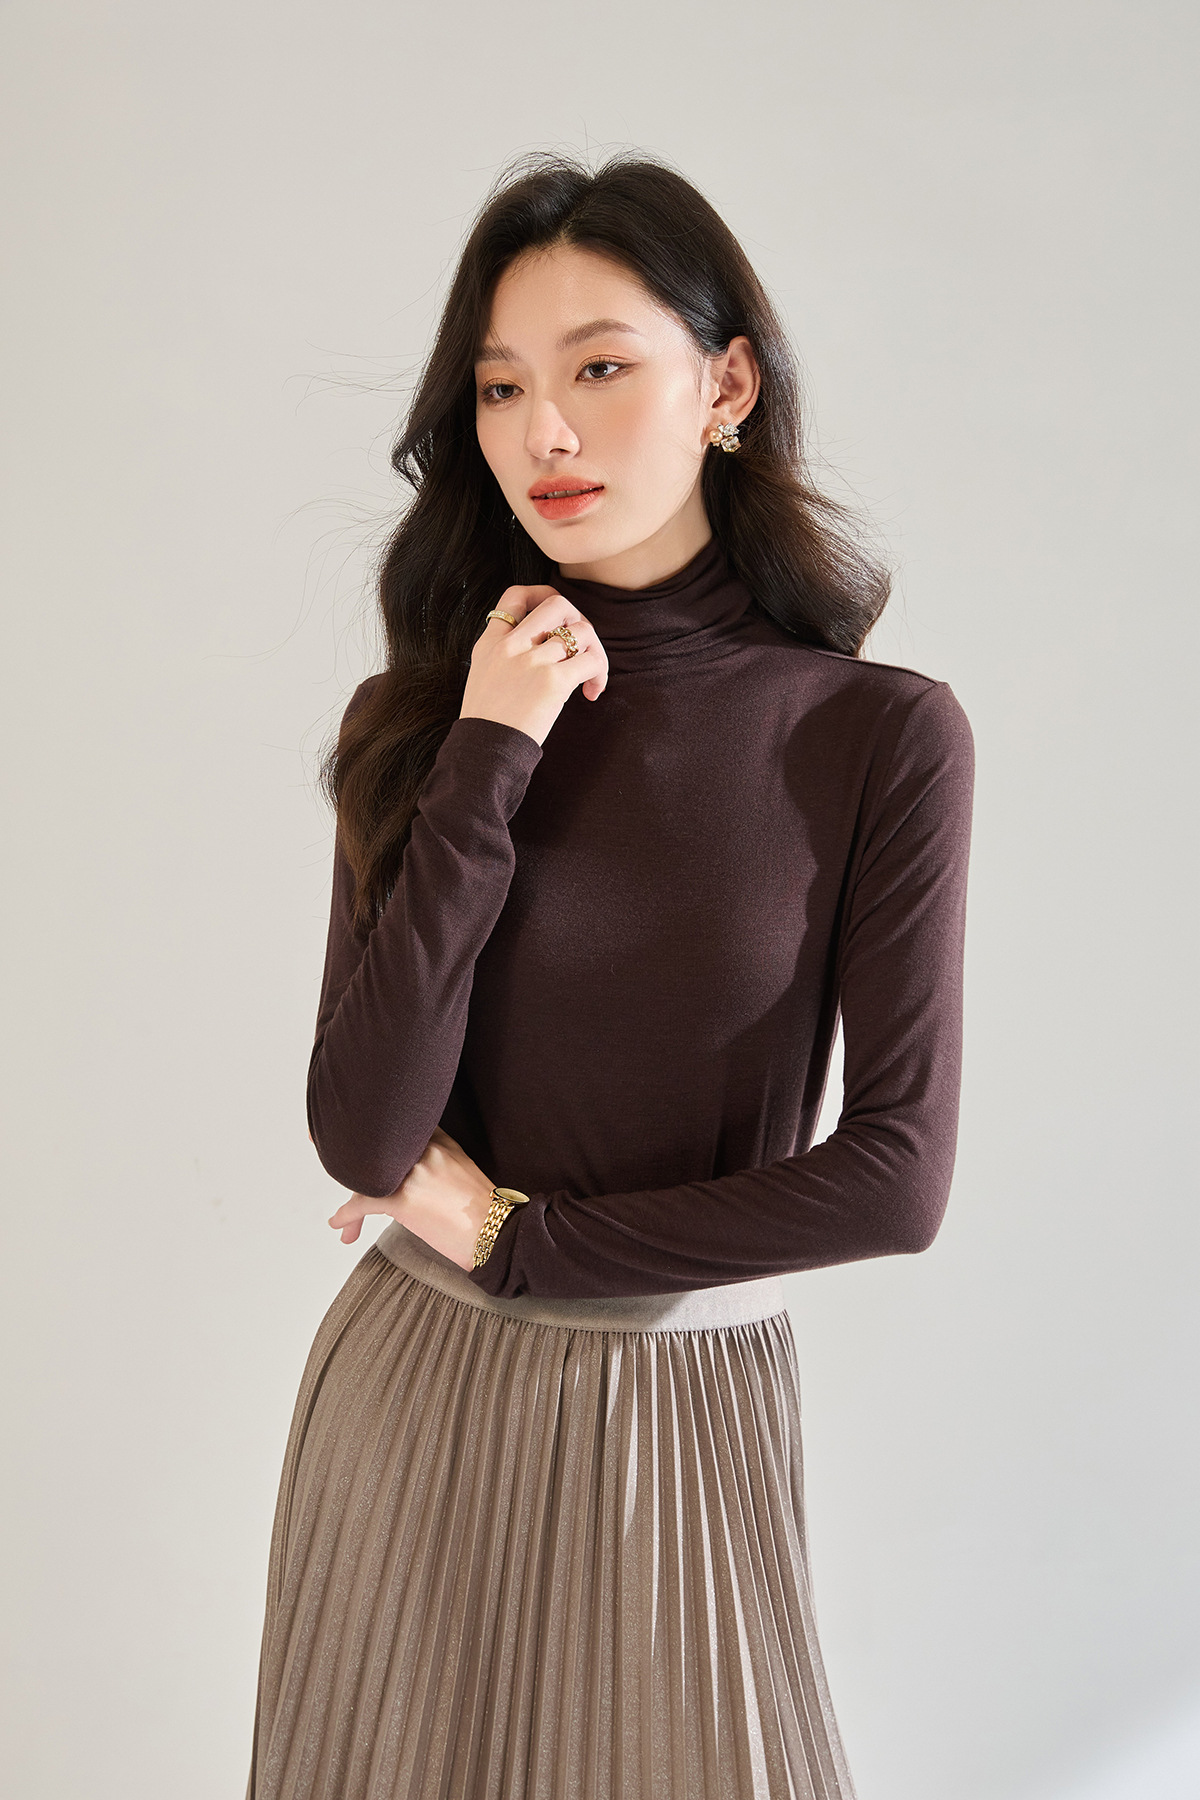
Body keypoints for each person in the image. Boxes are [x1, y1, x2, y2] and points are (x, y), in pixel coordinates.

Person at [245, 149, 975, 1800]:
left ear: (728, 387)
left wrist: (523, 1243)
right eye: (502, 387)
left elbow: (896, 1178)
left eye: (598, 370)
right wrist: (490, 752)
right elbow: (366, 1133)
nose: (545, 436)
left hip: (678, 1402)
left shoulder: (875, 736)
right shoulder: (426, 723)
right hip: (412, 1400)